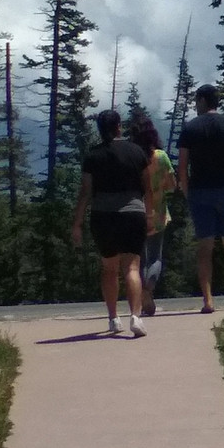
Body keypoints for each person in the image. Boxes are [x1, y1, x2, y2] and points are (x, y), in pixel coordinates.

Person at [71, 110, 154, 337]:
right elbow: (147, 188)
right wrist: (150, 215)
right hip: (133, 214)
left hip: (104, 216)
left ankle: (113, 318)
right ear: (119, 126)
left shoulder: (93, 156)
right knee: (132, 267)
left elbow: (86, 192)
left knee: (109, 269)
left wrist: (77, 223)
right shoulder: (136, 152)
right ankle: (135, 317)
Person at [177, 84, 224, 314]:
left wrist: (187, 191)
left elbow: (182, 166)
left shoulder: (190, 129)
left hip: (200, 191)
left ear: (201, 100)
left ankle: (208, 300)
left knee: (205, 247)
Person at [129, 117, 176, 317]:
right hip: (157, 212)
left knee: (137, 258)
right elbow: (172, 185)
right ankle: (148, 289)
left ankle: (140, 296)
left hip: (135, 211)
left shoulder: (131, 156)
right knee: (155, 256)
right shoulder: (161, 157)